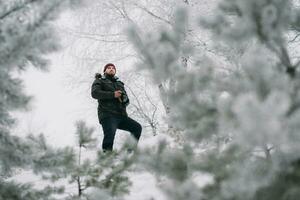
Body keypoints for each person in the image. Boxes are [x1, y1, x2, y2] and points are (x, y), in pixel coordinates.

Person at [91, 63, 142, 152]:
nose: (111, 69)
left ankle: (129, 153)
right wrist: (113, 94)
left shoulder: (119, 83)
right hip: (107, 114)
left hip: (121, 115)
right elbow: (95, 93)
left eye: (113, 68)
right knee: (110, 135)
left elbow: (126, 101)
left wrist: (125, 99)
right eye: (109, 68)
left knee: (137, 128)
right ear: (104, 71)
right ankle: (107, 159)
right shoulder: (99, 81)